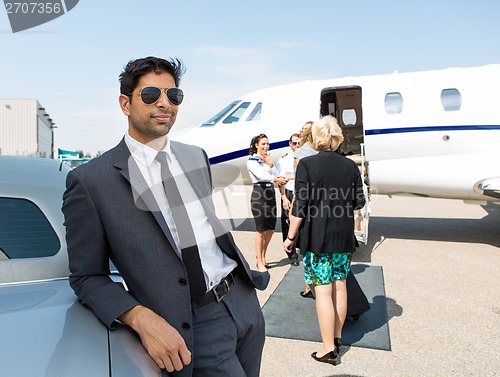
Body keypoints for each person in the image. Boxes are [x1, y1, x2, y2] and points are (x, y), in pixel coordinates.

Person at [62, 56, 270, 377]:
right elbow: (86, 277)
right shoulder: (91, 182)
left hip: (242, 302)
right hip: (192, 325)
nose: (164, 104)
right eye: (150, 95)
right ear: (125, 103)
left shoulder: (195, 157)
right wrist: (139, 317)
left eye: (173, 96)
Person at [284, 115, 366, 366]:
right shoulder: (350, 166)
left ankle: (328, 348)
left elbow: (300, 206)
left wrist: (290, 237)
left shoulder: (307, 165)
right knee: (340, 285)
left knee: (322, 289)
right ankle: (338, 337)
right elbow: (358, 203)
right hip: (342, 235)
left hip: (317, 236)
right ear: (337, 138)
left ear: (316, 138)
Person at [247, 134, 287, 272]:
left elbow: (276, 173)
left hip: (270, 193)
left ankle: (263, 255)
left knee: (270, 229)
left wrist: (271, 164)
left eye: (267, 144)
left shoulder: (267, 160)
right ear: (256, 145)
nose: (266, 146)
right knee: (260, 230)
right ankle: (259, 261)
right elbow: (261, 175)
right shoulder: (252, 161)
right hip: (260, 193)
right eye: (263, 144)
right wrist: (275, 178)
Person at [293, 121, 318, 298]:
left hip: (306, 205)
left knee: (306, 248)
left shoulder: (300, 153)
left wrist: (293, 206)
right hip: (323, 204)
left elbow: (299, 182)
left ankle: (310, 285)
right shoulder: (321, 152)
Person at [275, 133, 301, 266]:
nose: (297, 145)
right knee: (287, 223)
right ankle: (292, 254)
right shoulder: (284, 160)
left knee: (301, 222)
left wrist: (291, 176)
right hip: (289, 193)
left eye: (299, 143)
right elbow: (281, 180)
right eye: (295, 143)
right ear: (290, 144)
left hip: (301, 193)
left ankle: (303, 248)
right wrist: (284, 197)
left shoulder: (304, 157)